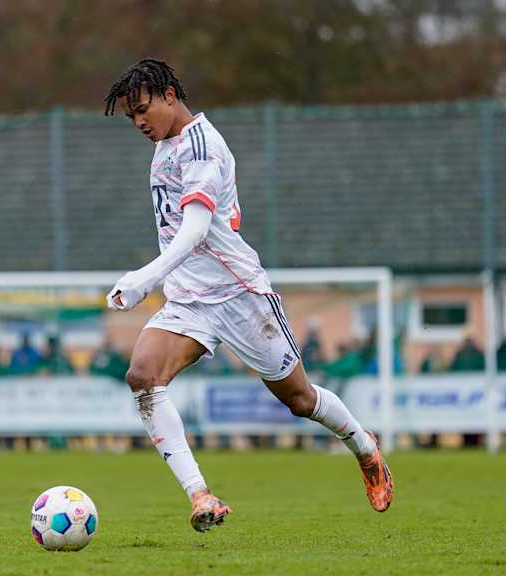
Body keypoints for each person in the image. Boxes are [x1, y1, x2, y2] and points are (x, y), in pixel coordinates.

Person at [102, 59, 392, 532]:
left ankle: (364, 446)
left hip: (240, 296)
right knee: (142, 375)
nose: (137, 122)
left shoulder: (203, 146)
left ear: (170, 95)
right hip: (191, 300)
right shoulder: (163, 147)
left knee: (299, 400)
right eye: (131, 115)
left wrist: (144, 278)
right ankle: (200, 496)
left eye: (142, 109)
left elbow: (196, 229)